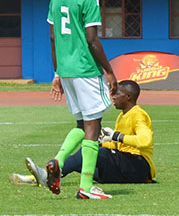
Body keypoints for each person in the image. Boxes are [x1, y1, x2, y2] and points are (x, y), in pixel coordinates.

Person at [33, 0, 117, 199]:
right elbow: (92, 40)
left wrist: (57, 73)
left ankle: (57, 162)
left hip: (67, 70)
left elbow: (52, 38)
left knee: (81, 124)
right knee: (93, 126)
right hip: (86, 69)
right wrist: (109, 71)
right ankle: (86, 187)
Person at [24, 80, 155, 187]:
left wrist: (115, 136)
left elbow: (144, 141)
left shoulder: (138, 114)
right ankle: (46, 178)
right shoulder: (123, 115)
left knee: (91, 153)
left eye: (116, 93)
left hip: (140, 166)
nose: (113, 96)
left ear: (128, 97)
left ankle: (47, 175)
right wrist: (105, 142)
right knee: (88, 155)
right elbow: (121, 146)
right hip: (128, 167)